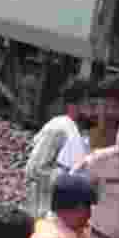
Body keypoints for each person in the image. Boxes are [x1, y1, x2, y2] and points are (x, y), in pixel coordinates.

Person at [22, 78, 94, 217]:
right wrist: (71, 180)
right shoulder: (58, 127)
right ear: (74, 104)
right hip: (43, 212)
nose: (94, 110)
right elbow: (34, 169)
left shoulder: (81, 133)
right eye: (90, 104)